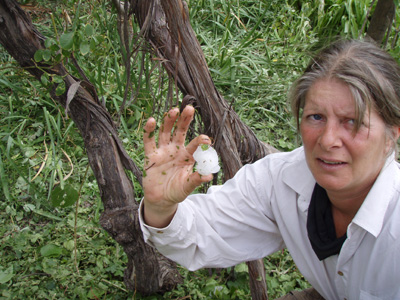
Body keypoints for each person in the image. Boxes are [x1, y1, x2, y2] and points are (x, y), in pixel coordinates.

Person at [138, 39, 400, 300]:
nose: (328, 140)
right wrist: (162, 207)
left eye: (352, 121)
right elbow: (201, 231)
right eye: (316, 117)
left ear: (393, 133)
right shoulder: (281, 180)